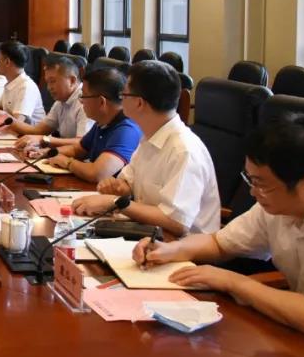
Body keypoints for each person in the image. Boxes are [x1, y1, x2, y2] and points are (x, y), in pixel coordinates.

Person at [132, 114, 304, 343]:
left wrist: (234, 282)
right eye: (250, 180)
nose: (253, 192)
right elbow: (219, 243)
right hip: (301, 334)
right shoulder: (276, 207)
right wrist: (170, 249)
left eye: (261, 184)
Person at [72, 60, 219, 236]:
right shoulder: (149, 136)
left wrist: (114, 201)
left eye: (124, 94)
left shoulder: (184, 150)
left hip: (181, 245)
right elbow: (127, 184)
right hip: (147, 232)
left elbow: (176, 222)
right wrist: (118, 188)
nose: (120, 99)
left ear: (139, 103)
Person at [43, 67, 142, 185]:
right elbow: (77, 149)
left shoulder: (126, 130)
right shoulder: (103, 121)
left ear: (101, 102)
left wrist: (67, 162)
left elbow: (97, 173)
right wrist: (47, 152)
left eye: (84, 96)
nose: (81, 101)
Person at [12, 54, 92, 149]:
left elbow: (82, 142)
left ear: (72, 80)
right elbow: (38, 131)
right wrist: (7, 120)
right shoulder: (60, 101)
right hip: (64, 153)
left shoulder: (86, 101)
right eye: (47, 82)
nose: (49, 88)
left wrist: (44, 139)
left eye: (53, 81)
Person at [0, 40, 45, 125]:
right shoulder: (10, 83)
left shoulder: (26, 87)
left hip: (26, 132)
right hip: (12, 130)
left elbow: (17, 123)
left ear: (7, 62)